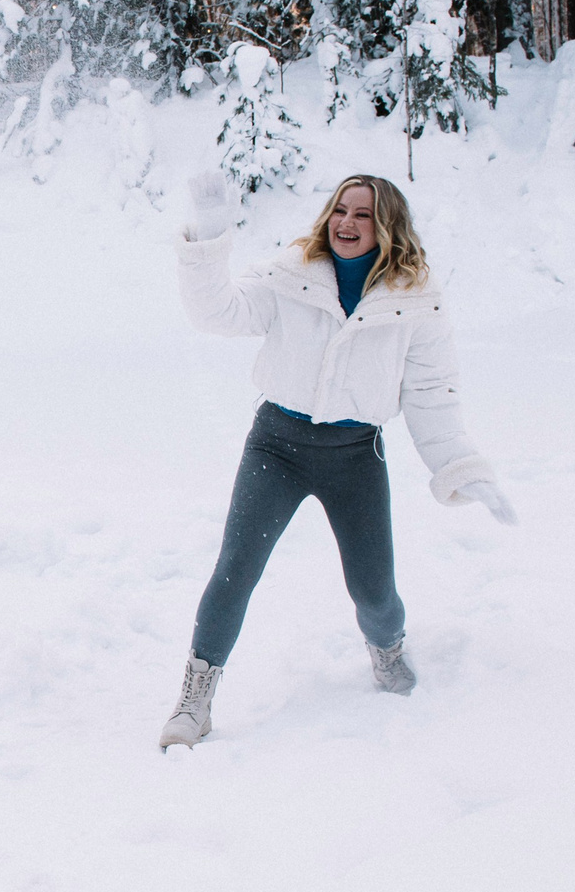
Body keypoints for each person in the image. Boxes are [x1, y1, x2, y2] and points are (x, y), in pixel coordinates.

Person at [162, 171, 514, 749]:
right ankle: (196, 696)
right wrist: (208, 238)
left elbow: (430, 394)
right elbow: (218, 313)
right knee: (235, 570)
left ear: (389, 227)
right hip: (275, 446)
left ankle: (387, 649)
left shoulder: (414, 302)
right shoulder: (290, 276)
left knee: (374, 591)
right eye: (340, 211)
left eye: (364, 214)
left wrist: (463, 468)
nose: (347, 223)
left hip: (355, 455)